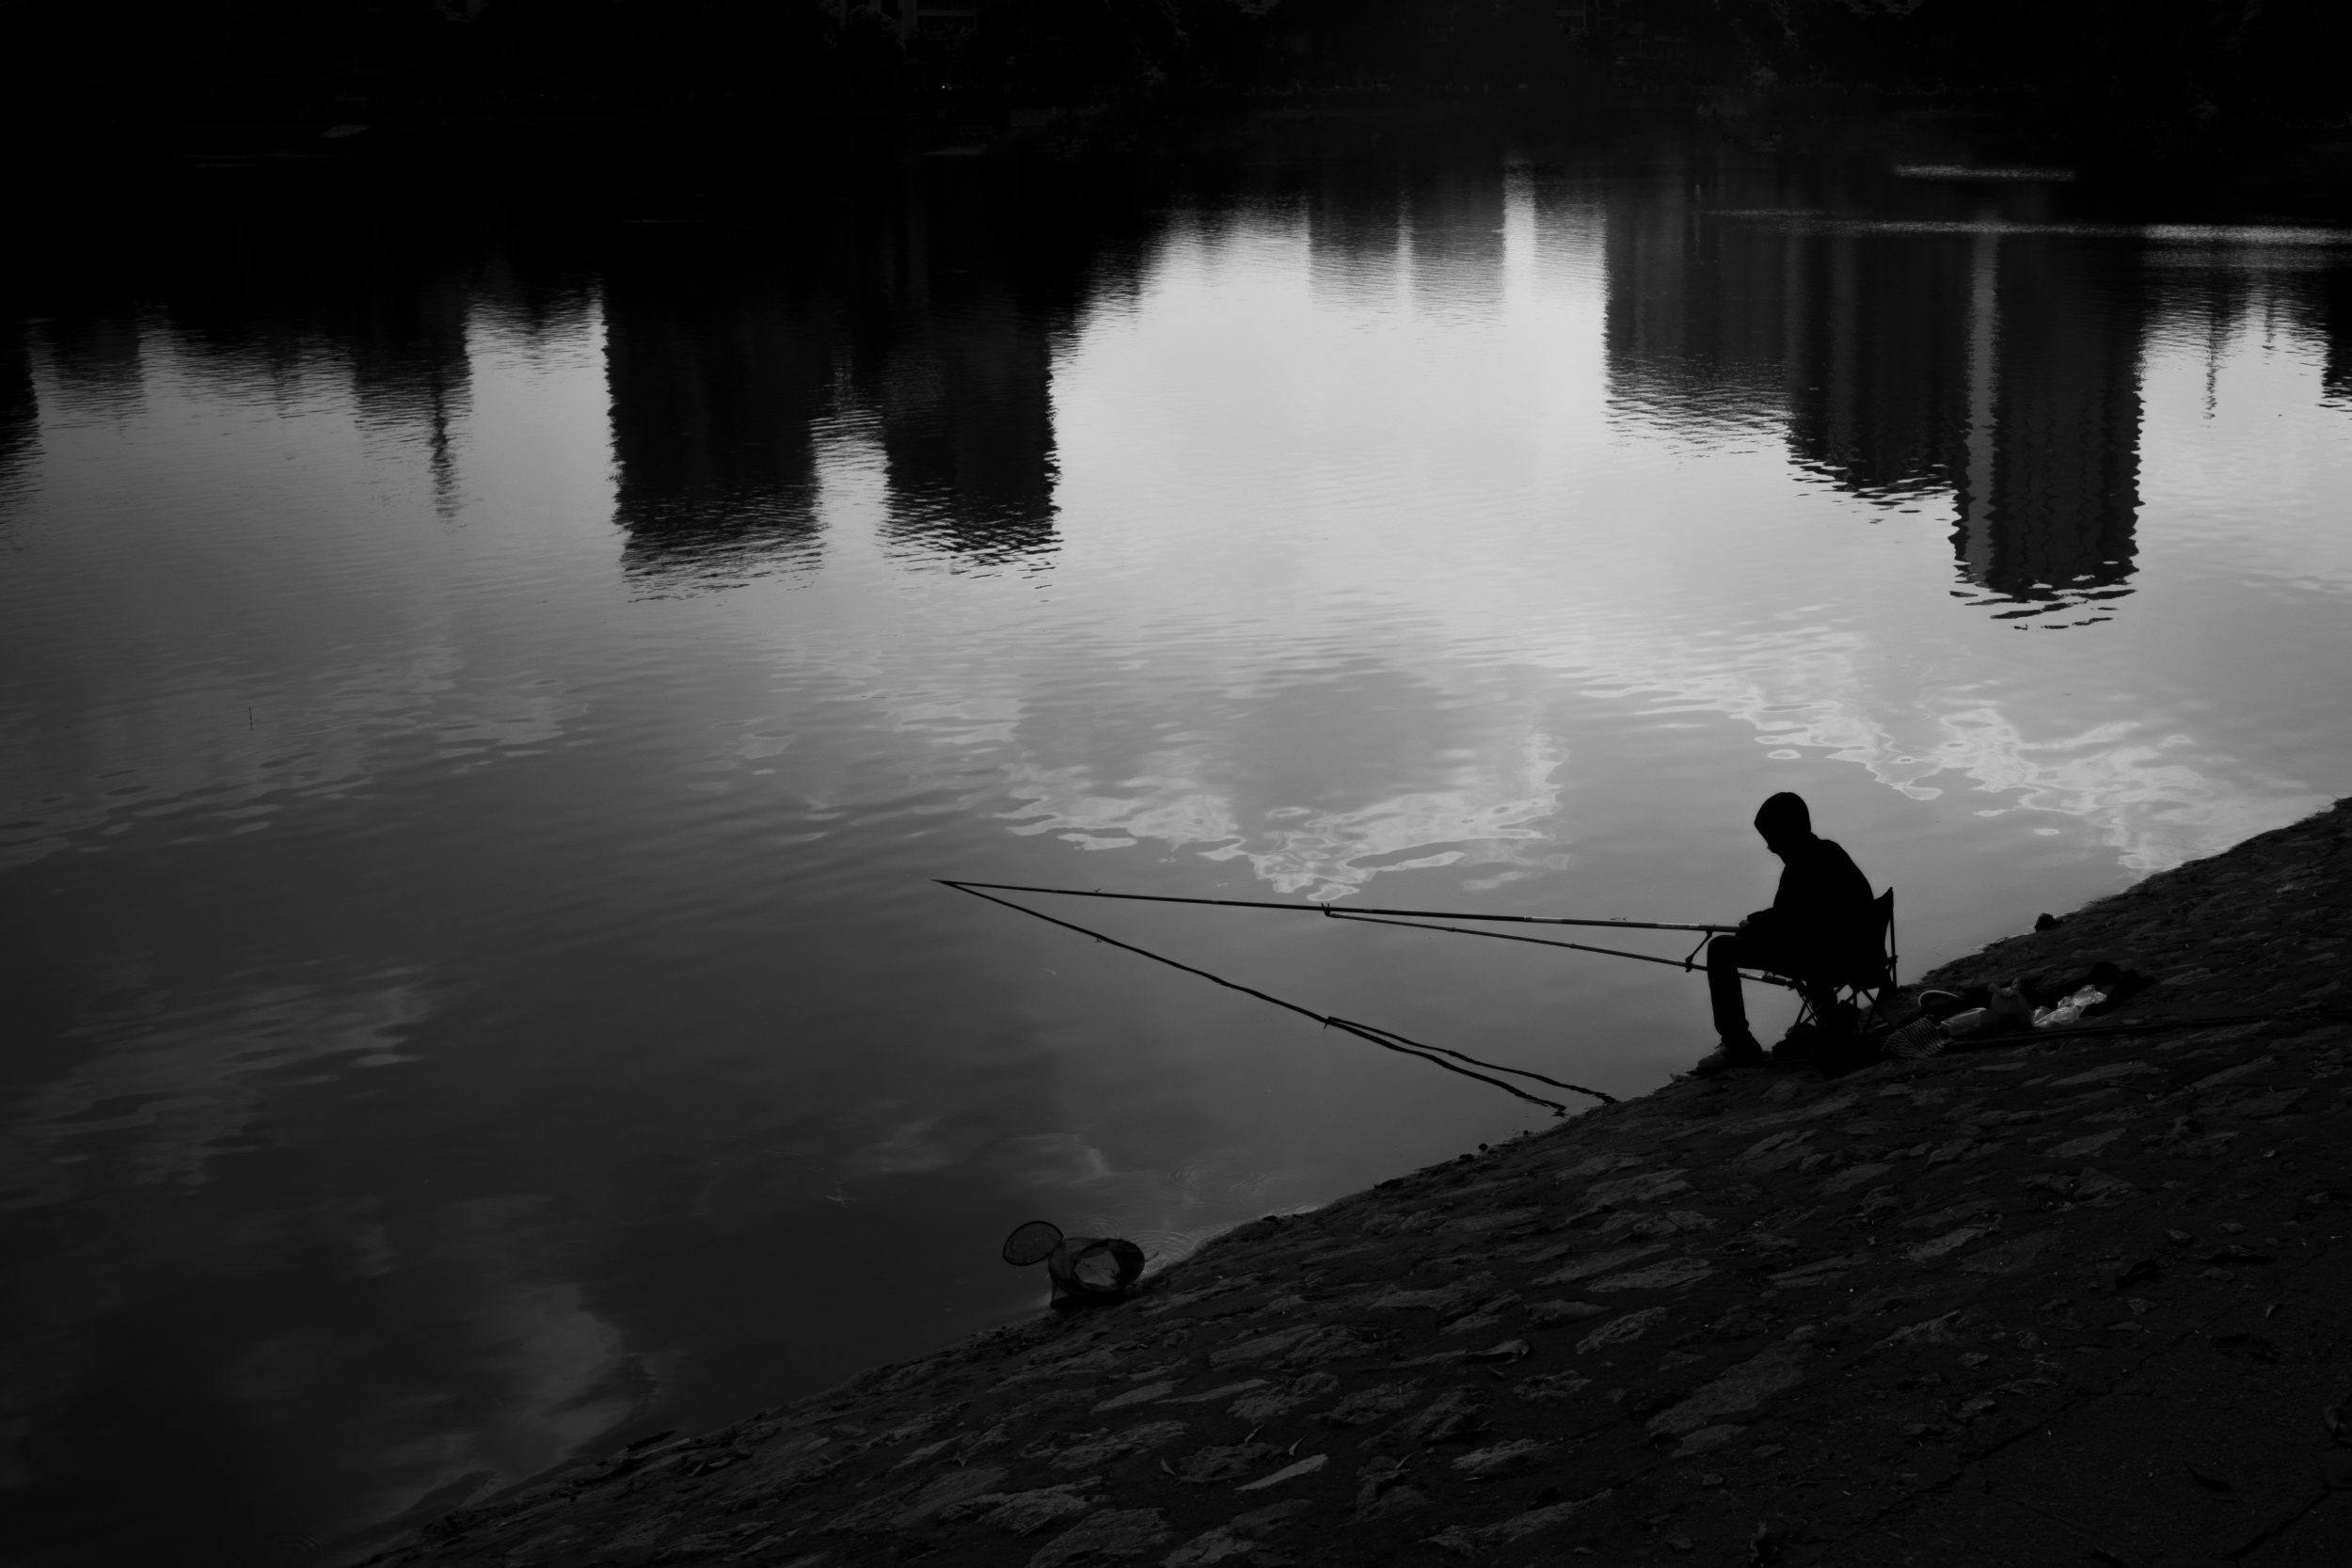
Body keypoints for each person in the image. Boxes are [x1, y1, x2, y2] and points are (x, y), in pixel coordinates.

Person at [1692, 792, 1878, 1077]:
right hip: (1861, 956)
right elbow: (1797, 913)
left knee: (1720, 949)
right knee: (1808, 941)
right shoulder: (1831, 852)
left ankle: (1739, 1044)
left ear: (1787, 834)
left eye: (1772, 840)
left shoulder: (1800, 867)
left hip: (1828, 963)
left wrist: (1752, 927)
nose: (1770, 848)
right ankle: (1827, 1017)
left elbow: (1787, 922)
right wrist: (1757, 923)